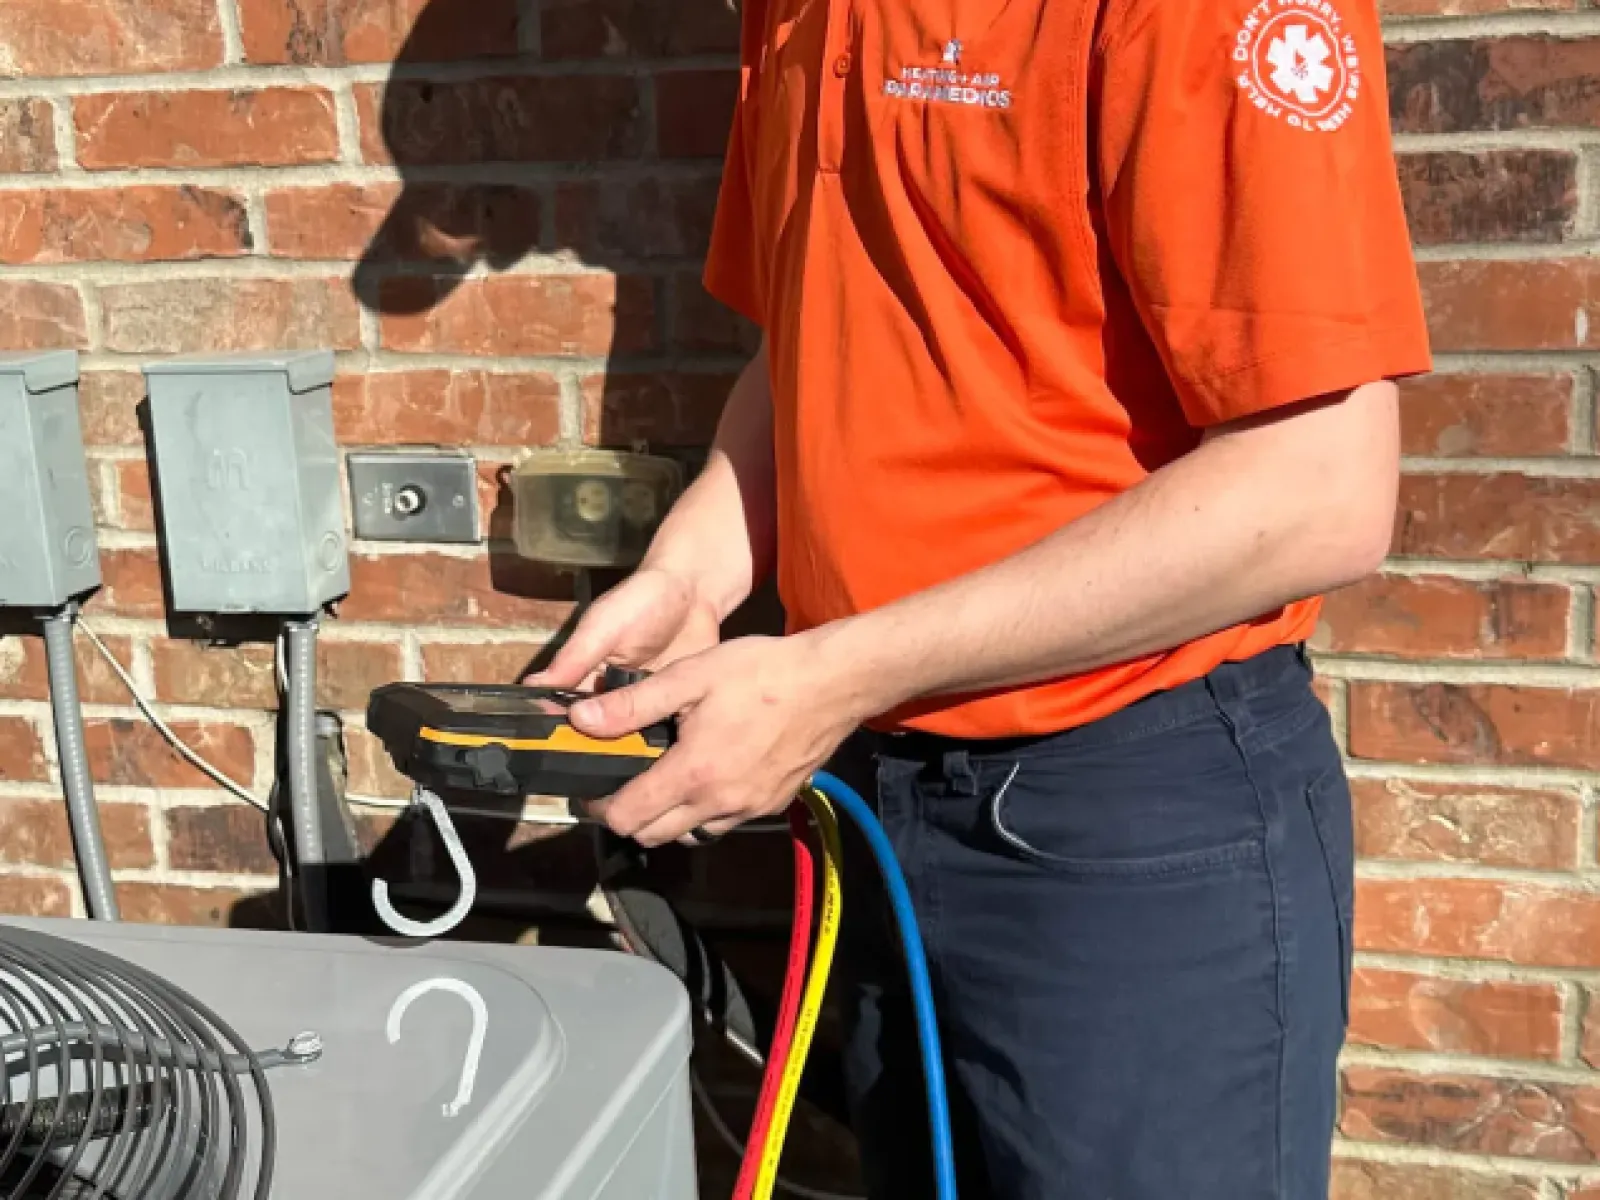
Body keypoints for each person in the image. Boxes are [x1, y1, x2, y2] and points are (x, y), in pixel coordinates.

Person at [528, 0, 1430, 1194]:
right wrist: (695, 571)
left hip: (1127, 820)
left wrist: (834, 673)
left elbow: (1321, 485)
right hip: (881, 791)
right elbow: (822, 324)